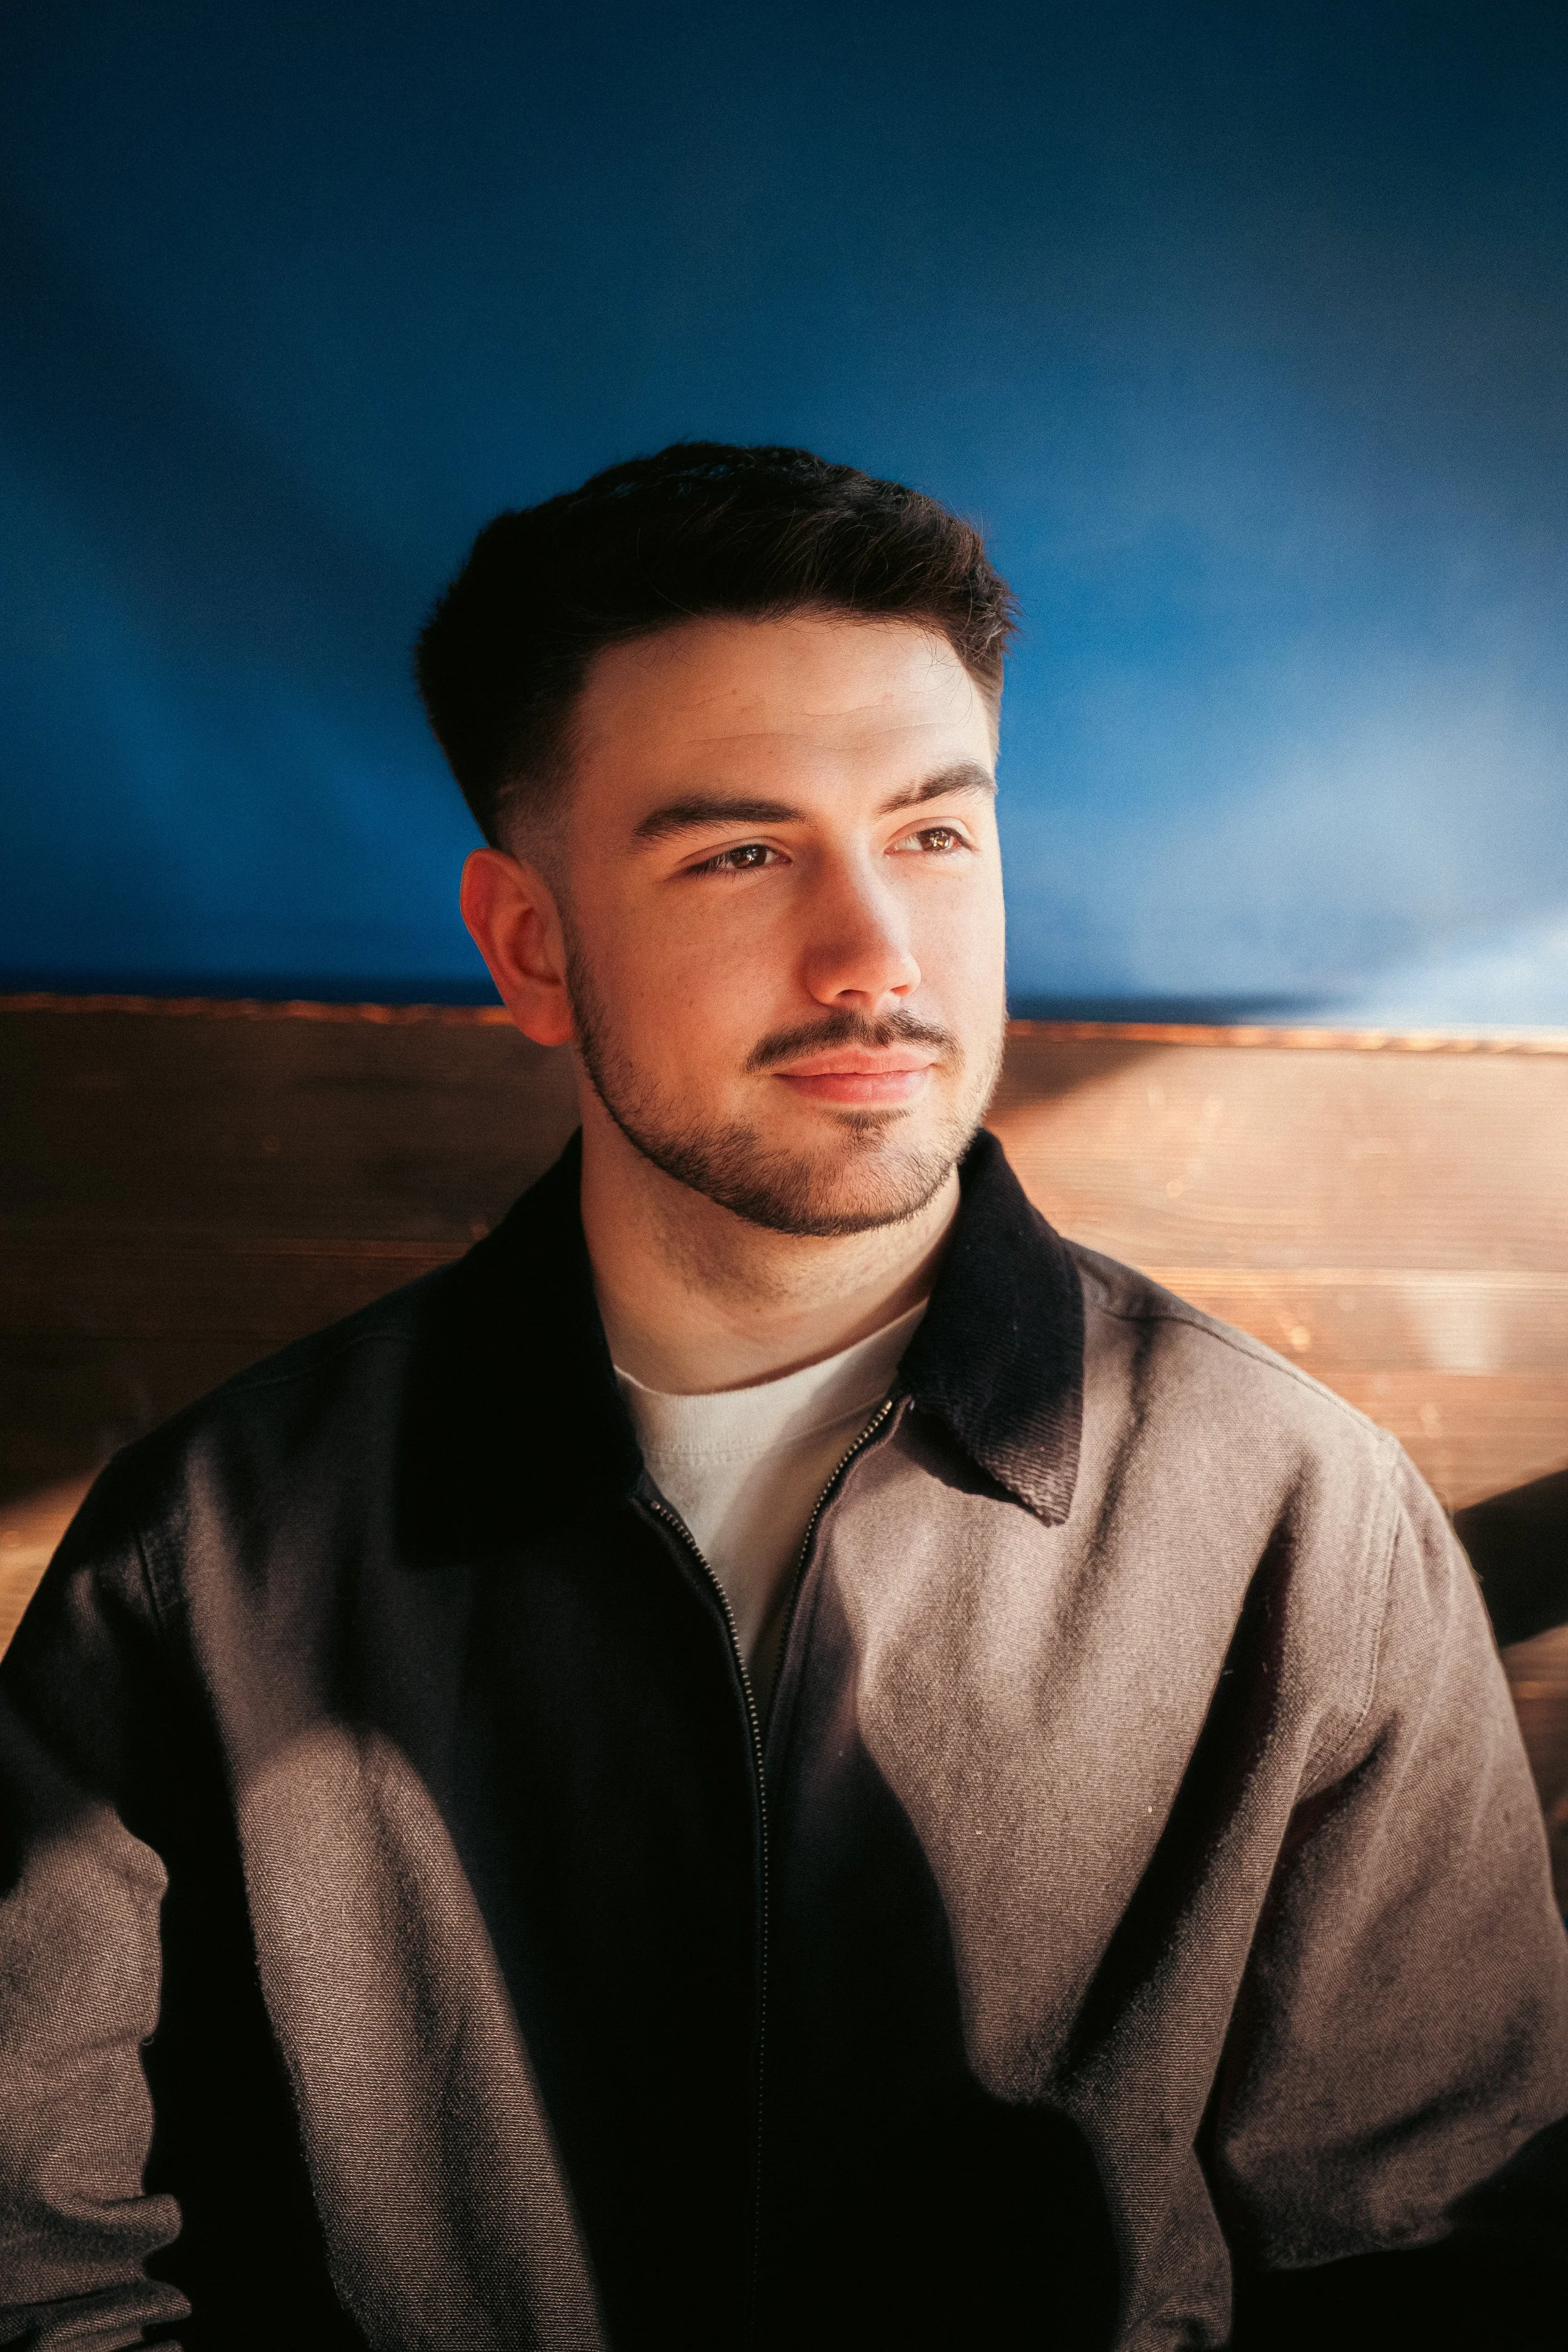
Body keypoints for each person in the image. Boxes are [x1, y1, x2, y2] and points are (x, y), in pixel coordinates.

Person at [1, 443, 1564, 2352]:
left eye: (932, 831)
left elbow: (1436, 2268)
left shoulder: (1295, 1522)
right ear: (530, 947)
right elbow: (36, 2259)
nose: (873, 958)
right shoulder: (209, 1554)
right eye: (742, 852)